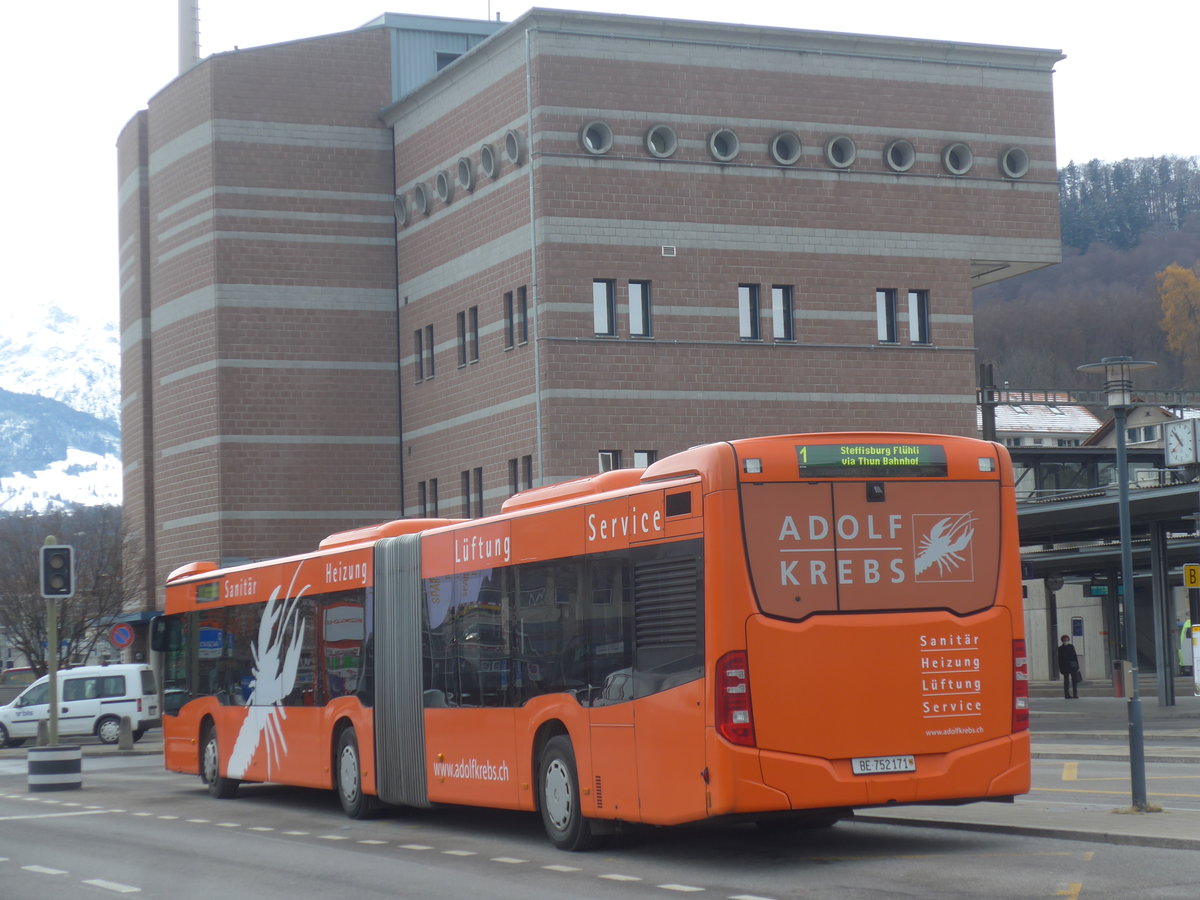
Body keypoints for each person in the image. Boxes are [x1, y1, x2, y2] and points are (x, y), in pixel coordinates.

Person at [1057, 635, 1080, 699]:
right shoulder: (1060, 648)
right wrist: (1061, 668)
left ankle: (1075, 694)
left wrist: (1077, 665)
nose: (1066, 641)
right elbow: (1059, 659)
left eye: (1067, 640)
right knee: (1066, 681)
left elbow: (1075, 656)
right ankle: (1067, 695)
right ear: (1062, 641)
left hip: (1072, 665)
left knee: (1074, 680)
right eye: (1064, 640)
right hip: (1065, 666)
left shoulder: (1071, 646)